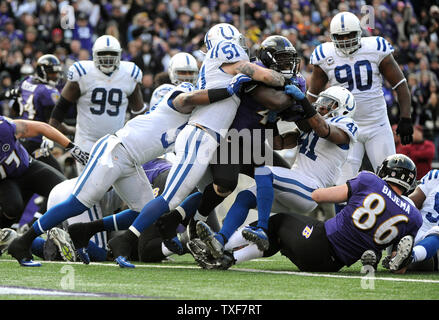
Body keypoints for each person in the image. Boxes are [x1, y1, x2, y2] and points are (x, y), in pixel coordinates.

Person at [7, 53, 249, 267]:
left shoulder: (191, 125)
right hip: (115, 150)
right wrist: (228, 89)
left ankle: (85, 231)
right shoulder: (178, 96)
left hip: (131, 161)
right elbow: (189, 99)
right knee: (79, 203)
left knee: (145, 212)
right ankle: (24, 241)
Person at [106, 23, 287, 268]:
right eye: (237, 41)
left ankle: (188, 228)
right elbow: (264, 75)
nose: (242, 46)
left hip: (211, 138)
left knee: (212, 191)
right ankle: (126, 240)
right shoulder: (226, 52)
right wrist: (284, 79)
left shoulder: (217, 62)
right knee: (170, 198)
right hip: (201, 136)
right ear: (226, 41)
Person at [155, 35, 304, 243]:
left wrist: (302, 124)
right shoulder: (255, 75)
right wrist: (299, 99)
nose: (288, 65)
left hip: (255, 143)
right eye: (282, 60)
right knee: (224, 185)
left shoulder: (291, 82)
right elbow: (275, 102)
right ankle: (188, 219)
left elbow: (278, 140)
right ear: (268, 60)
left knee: (282, 178)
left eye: (290, 60)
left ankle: (252, 226)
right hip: (233, 138)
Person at [195, 85, 358, 258]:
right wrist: (272, 121)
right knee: (245, 197)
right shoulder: (310, 126)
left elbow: (324, 130)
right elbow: (278, 144)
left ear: (344, 109)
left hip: (311, 188)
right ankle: (220, 240)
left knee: (265, 171)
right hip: (294, 186)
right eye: (322, 101)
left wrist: (303, 101)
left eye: (329, 103)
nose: (322, 105)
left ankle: (262, 229)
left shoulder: (345, 124)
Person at [191, 154, 422, 273]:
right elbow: (399, 267)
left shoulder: (370, 180)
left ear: (386, 171)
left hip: (322, 241)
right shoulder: (413, 215)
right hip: (333, 265)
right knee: (279, 239)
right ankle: (228, 259)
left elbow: (320, 197)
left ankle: (222, 244)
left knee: (277, 222)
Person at [307, 12, 413, 188]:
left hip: (377, 124)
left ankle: (390, 216)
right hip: (345, 127)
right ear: (332, 38)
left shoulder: (375, 48)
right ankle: (345, 217)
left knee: (391, 181)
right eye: (341, 37)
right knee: (342, 184)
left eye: (350, 34)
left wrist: (406, 117)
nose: (346, 39)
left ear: (359, 33)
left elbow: (400, 84)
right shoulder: (325, 54)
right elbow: (312, 94)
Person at [48, 35, 146, 173]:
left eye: (111, 54)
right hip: (87, 142)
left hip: (117, 141)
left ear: (119, 55)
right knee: (91, 188)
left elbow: (138, 111)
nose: (107, 58)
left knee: (117, 188)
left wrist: (138, 139)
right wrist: (51, 133)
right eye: (103, 54)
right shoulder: (83, 73)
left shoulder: (129, 74)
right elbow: (61, 106)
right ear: (94, 55)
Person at [0, 116, 88, 234]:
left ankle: (72, 235)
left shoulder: (4, 129)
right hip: (6, 181)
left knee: (64, 191)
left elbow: (42, 127)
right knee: (13, 208)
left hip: (28, 168)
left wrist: (71, 147)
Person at [0, 54, 64, 172]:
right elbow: (51, 120)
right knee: (58, 173)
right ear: (41, 72)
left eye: (56, 73)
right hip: (37, 141)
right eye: (51, 73)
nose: (55, 76)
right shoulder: (49, 91)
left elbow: (12, 103)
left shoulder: (26, 81)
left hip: (19, 138)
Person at [384, 169, 439, 272]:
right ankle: (393, 255)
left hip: (434, 244)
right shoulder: (435, 176)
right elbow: (412, 203)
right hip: (413, 234)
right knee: (404, 203)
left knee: (437, 230)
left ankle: (409, 258)